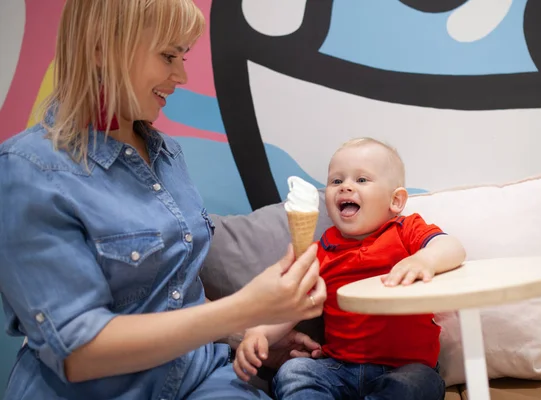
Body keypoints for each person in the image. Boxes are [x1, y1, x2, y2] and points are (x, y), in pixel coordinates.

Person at [0, 1, 326, 399]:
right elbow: (81, 353)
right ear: (102, 48)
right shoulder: (27, 170)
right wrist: (246, 307)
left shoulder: (166, 154)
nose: (182, 75)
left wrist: (249, 334)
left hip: (202, 376)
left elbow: (174, 292)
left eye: (183, 56)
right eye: (169, 55)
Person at [233, 138, 467, 400]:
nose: (345, 187)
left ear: (396, 200)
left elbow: (452, 247)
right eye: (336, 181)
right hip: (339, 367)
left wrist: (424, 260)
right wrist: (260, 332)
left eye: (361, 180)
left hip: (406, 368)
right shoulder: (321, 250)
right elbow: (294, 304)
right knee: (294, 371)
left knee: (418, 384)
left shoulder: (406, 231)